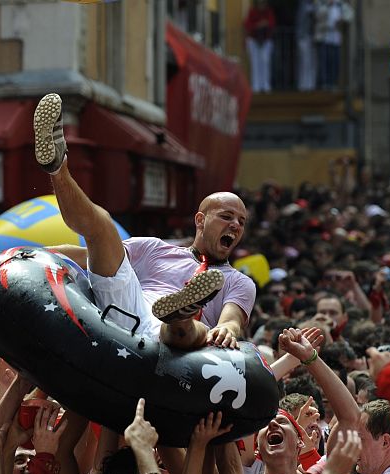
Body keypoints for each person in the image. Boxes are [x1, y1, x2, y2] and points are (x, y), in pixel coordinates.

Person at [33, 93, 255, 351]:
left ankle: (182, 313)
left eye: (241, 221)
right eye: (226, 216)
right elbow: (89, 256)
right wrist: (33, 255)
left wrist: (227, 329)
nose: (236, 225)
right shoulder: (153, 248)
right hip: (126, 309)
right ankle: (58, 167)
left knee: (196, 329)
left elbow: (232, 320)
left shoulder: (239, 281)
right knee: (104, 225)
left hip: (175, 345)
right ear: (200, 220)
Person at [243, 0, 275, 93]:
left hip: (266, 41)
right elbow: (247, 25)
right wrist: (259, 25)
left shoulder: (269, 12)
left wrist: (264, 24)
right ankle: (256, 86)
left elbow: (272, 24)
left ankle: (265, 85)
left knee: (265, 62)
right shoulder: (252, 12)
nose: (262, 4)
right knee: (255, 63)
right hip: (253, 41)